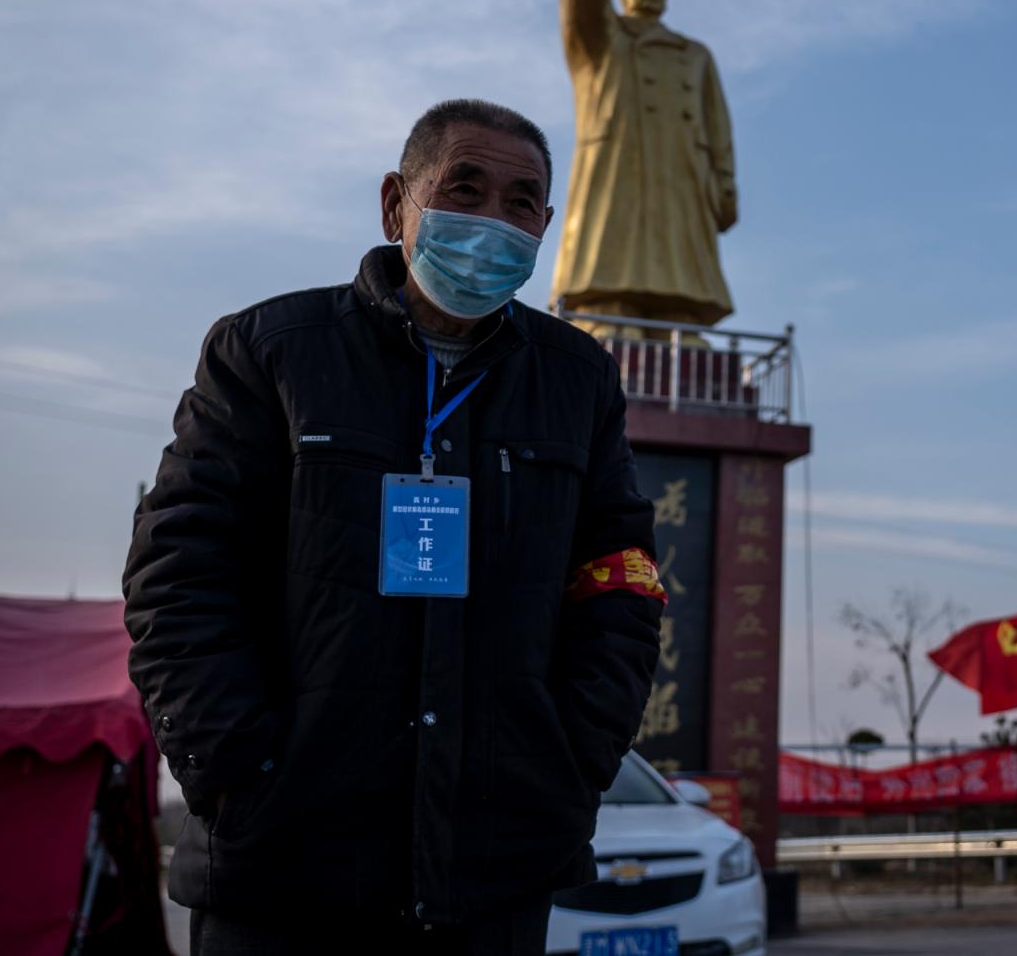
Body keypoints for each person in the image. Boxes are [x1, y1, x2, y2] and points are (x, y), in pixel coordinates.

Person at [123, 99, 667, 954]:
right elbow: (178, 569)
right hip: (282, 866)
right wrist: (236, 768)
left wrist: (572, 760)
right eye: (465, 189)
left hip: (495, 870)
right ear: (394, 204)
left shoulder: (579, 379)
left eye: (521, 201)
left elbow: (620, 576)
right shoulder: (271, 351)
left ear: (545, 224)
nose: (493, 220)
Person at [554, 0, 739, 331]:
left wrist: (724, 183)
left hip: (682, 170)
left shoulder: (694, 53)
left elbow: (718, 125)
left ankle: (678, 317)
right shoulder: (603, 39)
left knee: (679, 251)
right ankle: (608, 309)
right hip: (617, 160)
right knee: (613, 242)